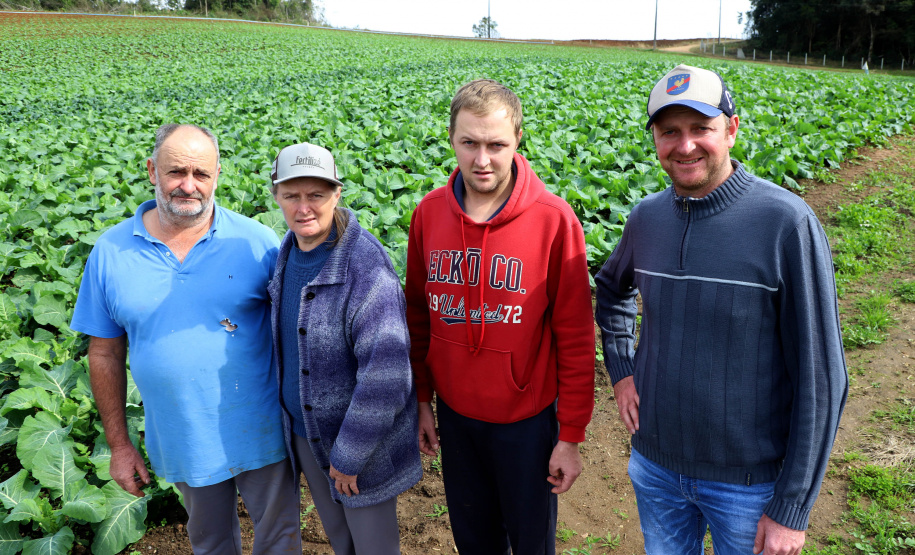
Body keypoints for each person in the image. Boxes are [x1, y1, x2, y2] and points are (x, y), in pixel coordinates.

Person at [595, 64, 848, 555]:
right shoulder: (646, 218)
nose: (684, 145)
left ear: (731, 129)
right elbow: (611, 290)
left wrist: (791, 508)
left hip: (750, 488)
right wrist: (623, 370)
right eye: (670, 131)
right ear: (655, 139)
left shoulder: (785, 223)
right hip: (655, 469)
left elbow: (823, 377)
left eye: (700, 129)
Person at [71, 124, 301, 553]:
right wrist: (119, 446)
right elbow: (103, 352)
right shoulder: (111, 252)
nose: (188, 185)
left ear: (218, 175)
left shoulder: (256, 242)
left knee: (280, 539)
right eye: (176, 171)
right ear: (151, 171)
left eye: (201, 174)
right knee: (210, 541)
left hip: (263, 429)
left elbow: (297, 332)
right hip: (183, 436)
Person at [404, 79, 595, 554]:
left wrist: (569, 436)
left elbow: (574, 336)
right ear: (451, 139)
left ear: (518, 140)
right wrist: (423, 399)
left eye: (496, 144)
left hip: (526, 422)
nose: (481, 159)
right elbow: (418, 317)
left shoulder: (554, 219)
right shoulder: (428, 214)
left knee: (531, 542)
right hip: (456, 415)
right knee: (474, 541)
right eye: (469, 143)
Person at [267, 142, 421, 555]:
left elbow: (386, 376)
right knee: (341, 542)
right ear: (276, 195)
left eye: (316, 194)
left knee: (374, 548)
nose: (304, 207)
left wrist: (349, 456)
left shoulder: (364, 267)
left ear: (336, 194)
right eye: (292, 195)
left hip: (359, 446)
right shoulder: (288, 253)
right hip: (307, 435)